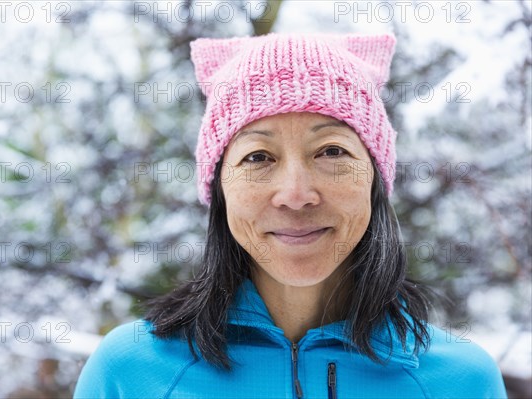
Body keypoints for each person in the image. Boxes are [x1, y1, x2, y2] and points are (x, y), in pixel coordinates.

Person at [74, 32, 507, 398]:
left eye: (332, 151)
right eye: (258, 157)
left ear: (376, 179)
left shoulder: (462, 381)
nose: (296, 195)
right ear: (219, 187)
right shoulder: (130, 373)